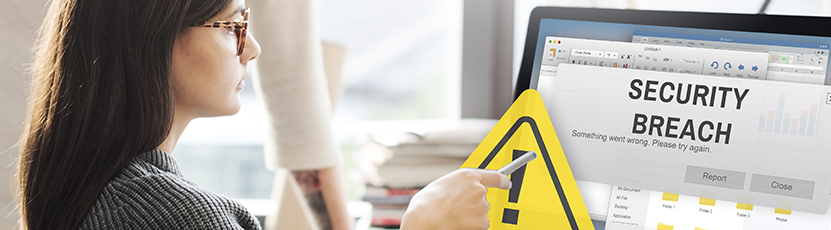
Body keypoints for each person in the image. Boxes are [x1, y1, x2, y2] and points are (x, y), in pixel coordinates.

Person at [16, 0, 511, 229]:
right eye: (232, 24)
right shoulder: (185, 217)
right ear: (153, 37)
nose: (251, 47)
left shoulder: (81, 186)